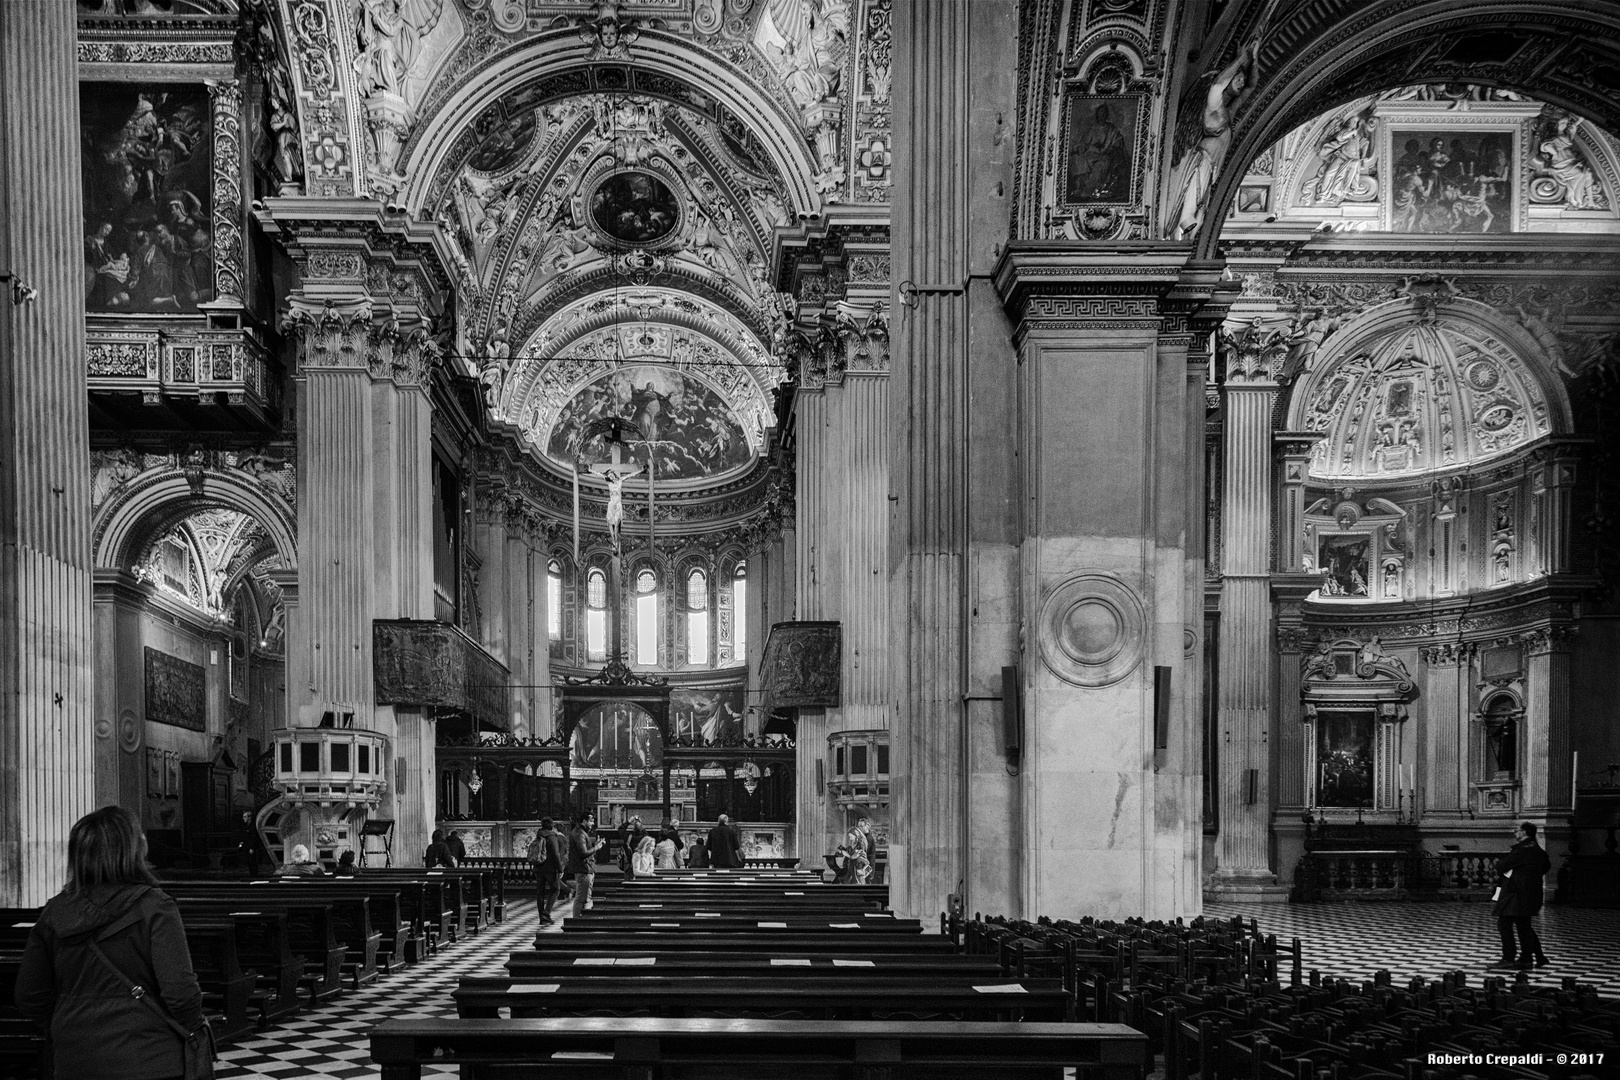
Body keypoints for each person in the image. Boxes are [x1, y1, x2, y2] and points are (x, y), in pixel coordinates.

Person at [13, 805, 208, 1080]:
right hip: (149, 1058)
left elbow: (29, 995)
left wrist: (68, 1023)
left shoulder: (54, 913)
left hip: (75, 1059)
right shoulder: (155, 907)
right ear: (133, 850)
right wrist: (190, 1025)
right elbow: (181, 993)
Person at [1490, 821, 1552, 970]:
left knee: (1504, 924)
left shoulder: (1523, 850)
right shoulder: (1539, 851)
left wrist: (1500, 864)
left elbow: (1501, 866)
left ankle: (1509, 958)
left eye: (1517, 830)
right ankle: (1529, 958)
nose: (1514, 832)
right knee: (1524, 926)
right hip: (1532, 893)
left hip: (1516, 894)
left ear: (1524, 832)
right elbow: (1546, 867)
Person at [527, 818, 567, 930]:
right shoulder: (551, 837)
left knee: (540, 893)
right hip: (549, 868)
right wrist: (560, 869)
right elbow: (555, 854)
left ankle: (541, 917)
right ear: (551, 825)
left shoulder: (539, 835)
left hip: (538, 867)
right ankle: (547, 912)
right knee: (556, 890)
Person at [568, 812, 605, 917]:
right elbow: (583, 853)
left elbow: (583, 849)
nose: (592, 823)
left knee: (586, 898)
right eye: (591, 821)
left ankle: (584, 921)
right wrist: (596, 848)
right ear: (584, 821)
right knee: (581, 899)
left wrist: (595, 845)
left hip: (585, 868)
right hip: (584, 869)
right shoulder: (579, 834)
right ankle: (576, 923)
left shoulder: (580, 832)